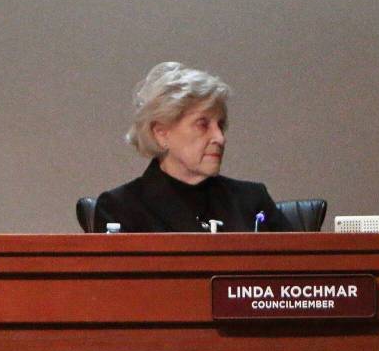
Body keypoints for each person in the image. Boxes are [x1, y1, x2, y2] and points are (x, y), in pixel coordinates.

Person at [94, 62, 288, 233]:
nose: (220, 138)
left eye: (220, 125)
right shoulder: (121, 208)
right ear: (161, 133)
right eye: (203, 124)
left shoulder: (252, 202)